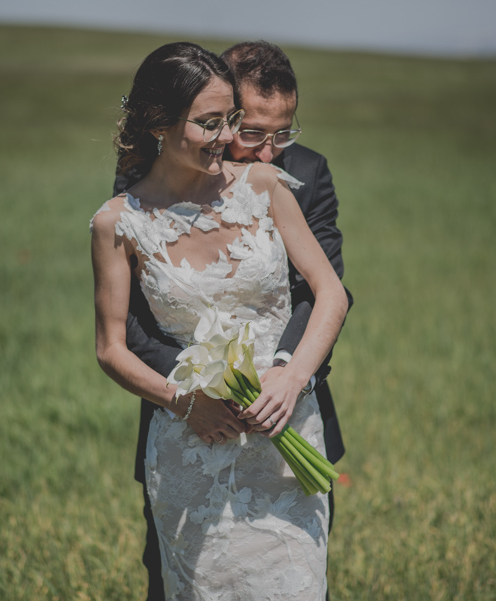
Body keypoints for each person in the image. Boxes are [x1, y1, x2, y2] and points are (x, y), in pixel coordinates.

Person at [92, 42, 349, 600]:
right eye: (219, 124)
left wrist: (288, 375)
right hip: (191, 441)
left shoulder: (274, 185)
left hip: (285, 429)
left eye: (232, 122)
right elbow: (117, 341)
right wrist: (190, 400)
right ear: (161, 123)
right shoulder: (122, 217)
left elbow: (329, 290)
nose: (241, 143)